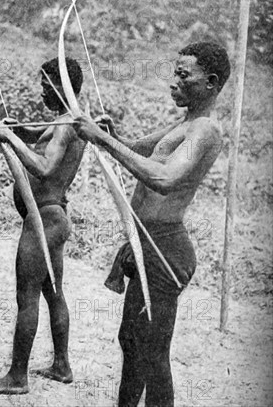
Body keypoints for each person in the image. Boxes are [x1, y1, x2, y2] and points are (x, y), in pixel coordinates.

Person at [73, 42, 230, 406]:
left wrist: (104, 142)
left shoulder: (205, 130)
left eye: (182, 75)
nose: (173, 82)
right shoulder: (187, 122)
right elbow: (139, 148)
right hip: (148, 243)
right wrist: (110, 136)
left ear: (210, 82)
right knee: (132, 340)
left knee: (153, 352)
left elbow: (163, 178)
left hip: (166, 249)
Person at [0, 58, 87, 394]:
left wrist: (10, 136)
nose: (41, 92)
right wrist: (17, 129)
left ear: (60, 85)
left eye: (45, 85)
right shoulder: (69, 120)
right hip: (52, 217)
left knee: (26, 297)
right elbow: (38, 136)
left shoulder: (66, 124)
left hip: (44, 219)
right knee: (53, 294)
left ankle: (17, 377)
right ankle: (61, 365)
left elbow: (44, 166)